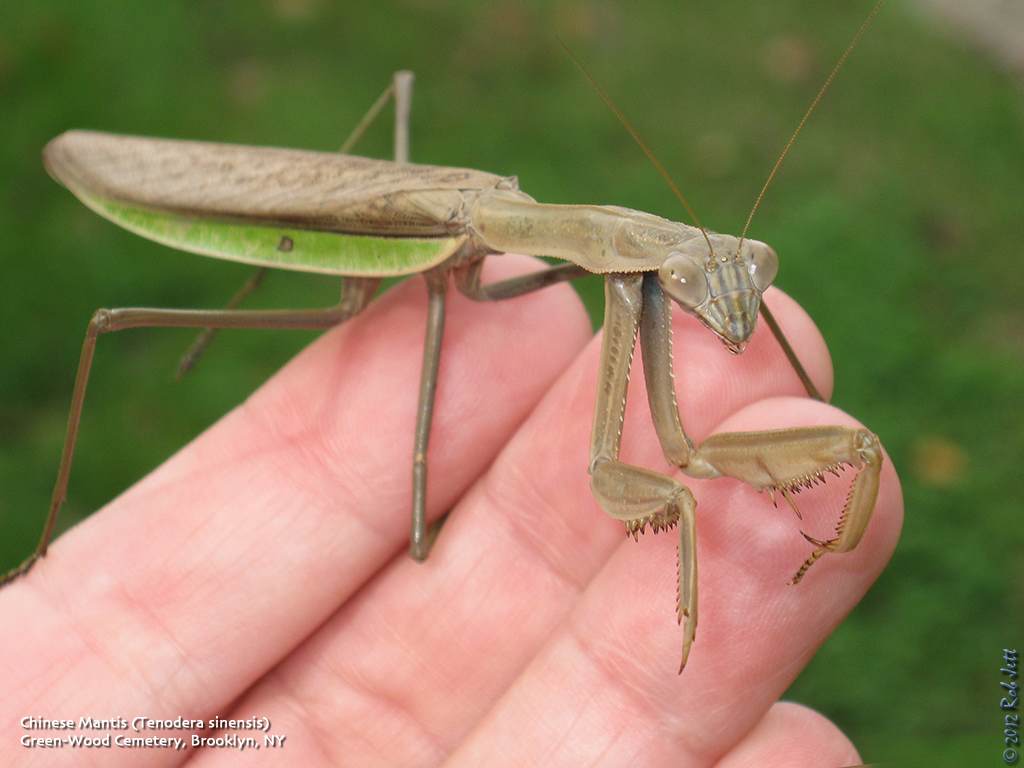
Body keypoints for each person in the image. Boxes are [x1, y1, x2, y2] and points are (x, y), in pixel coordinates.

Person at [0, 256, 901, 766]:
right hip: (383, 243)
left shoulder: (613, 282)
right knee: (114, 317)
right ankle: (43, 546)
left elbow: (670, 457)